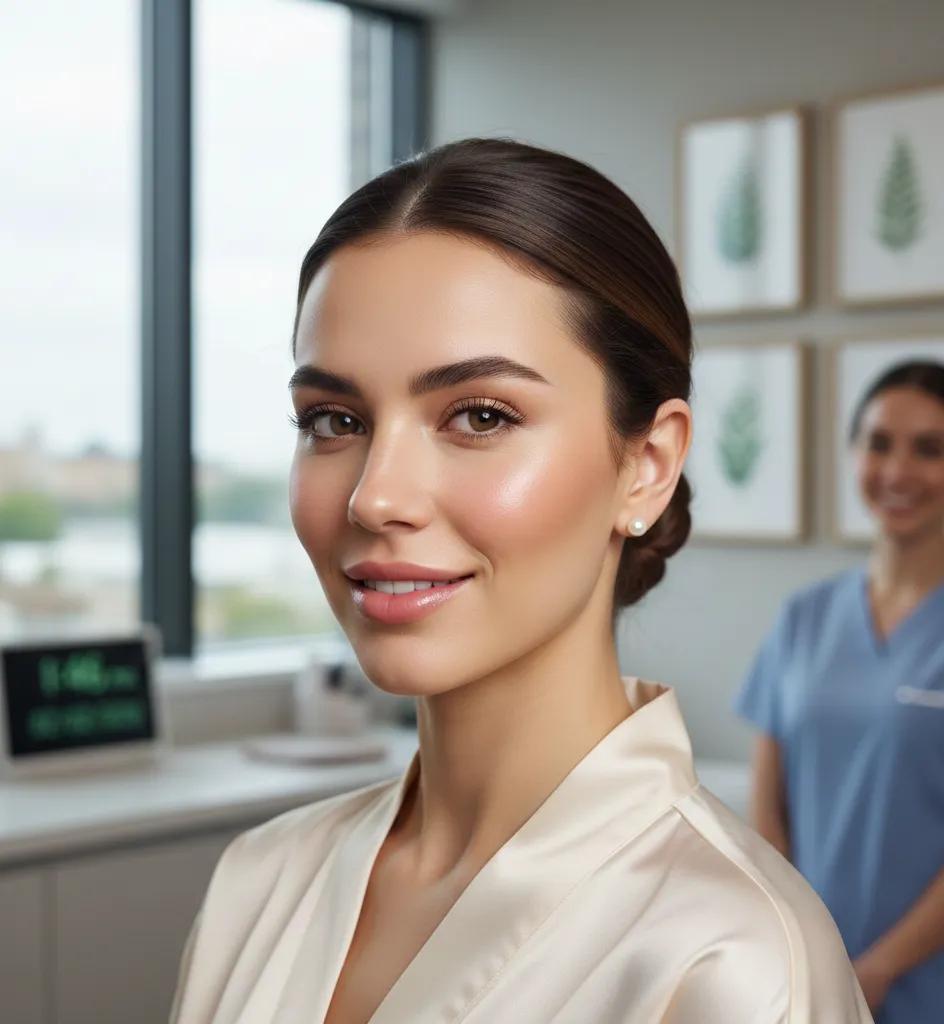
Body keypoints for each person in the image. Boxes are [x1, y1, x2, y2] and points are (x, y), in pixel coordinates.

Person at [170, 138, 871, 1024]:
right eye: (334, 419)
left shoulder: (732, 961)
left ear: (646, 466)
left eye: (480, 415)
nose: (376, 494)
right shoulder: (260, 882)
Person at [736, 359, 944, 1024]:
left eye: (929, 449)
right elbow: (768, 806)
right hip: (810, 979)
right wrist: (803, 948)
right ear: (854, 455)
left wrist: (880, 967)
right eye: (879, 443)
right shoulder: (802, 617)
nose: (898, 471)